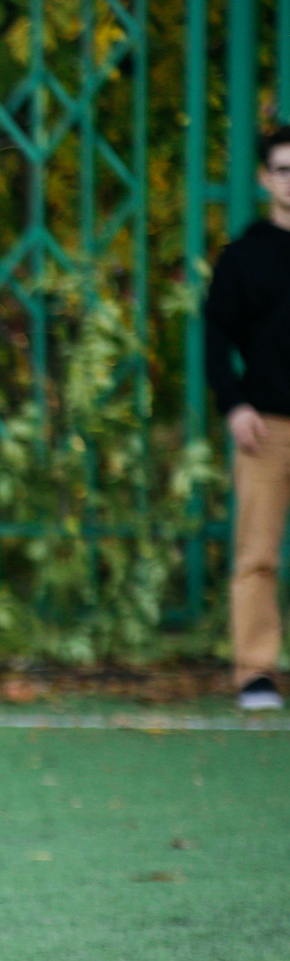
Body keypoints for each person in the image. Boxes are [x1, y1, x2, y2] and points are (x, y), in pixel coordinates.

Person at [205, 125, 290, 712]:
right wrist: (233, 403)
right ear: (266, 179)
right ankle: (256, 673)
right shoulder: (245, 255)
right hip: (267, 428)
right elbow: (215, 335)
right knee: (256, 554)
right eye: (284, 169)